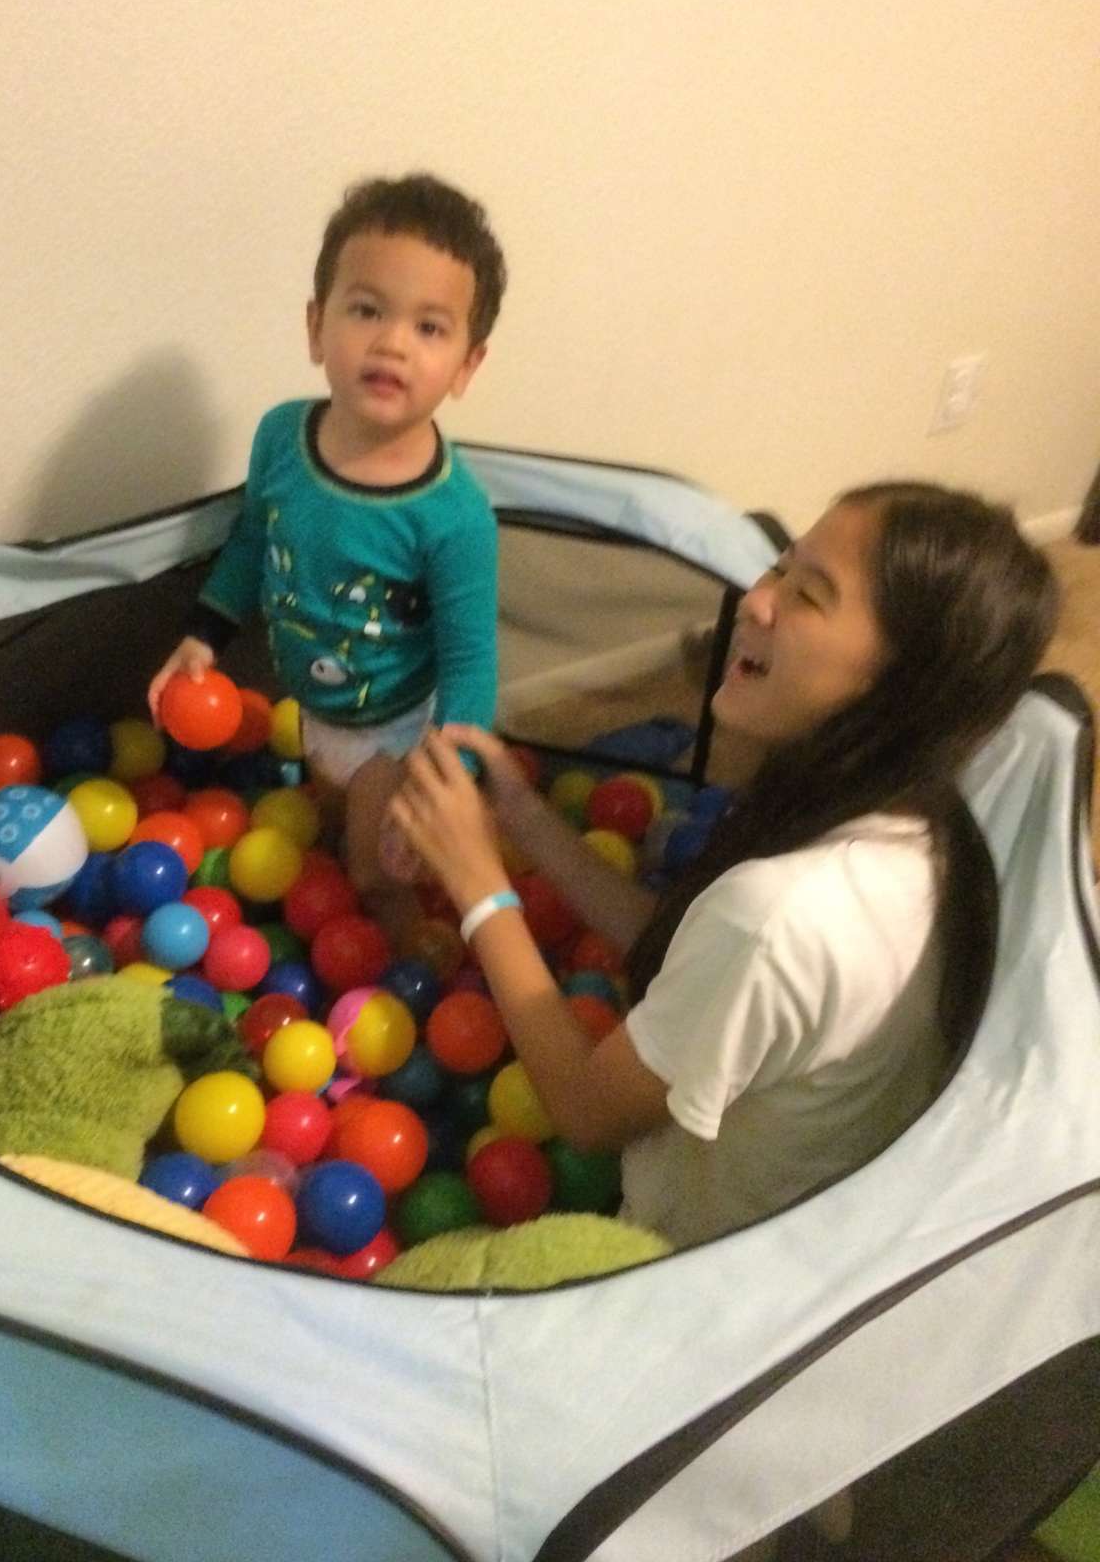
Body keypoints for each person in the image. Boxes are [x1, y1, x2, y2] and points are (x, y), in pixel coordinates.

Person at [388, 483, 1061, 1249]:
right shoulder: (923, 826)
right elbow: (682, 941)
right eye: (781, 569)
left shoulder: (783, 913)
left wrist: (479, 886)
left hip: (682, 1265)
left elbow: (584, 1110)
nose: (757, 602)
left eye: (810, 595)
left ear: (898, 683)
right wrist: (526, 819)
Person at [149, 173, 507, 930]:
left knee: (376, 877)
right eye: (367, 309)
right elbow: (254, 539)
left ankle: (411, 955)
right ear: (317, 326)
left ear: (467, 366)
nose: (392, 342)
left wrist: (441, 783)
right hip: (314, 706)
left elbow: (471, 667)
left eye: (429, 328)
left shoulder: (455, 518)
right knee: (330, 824)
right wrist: (203, 634)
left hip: (397, 730)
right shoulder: (282, 436)